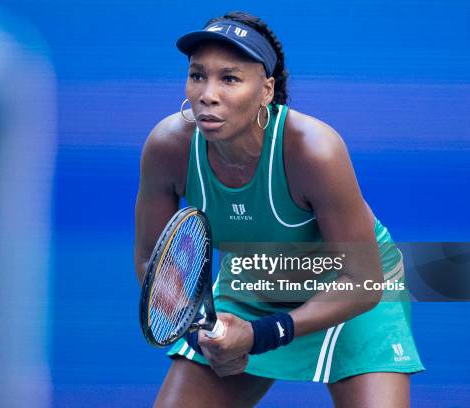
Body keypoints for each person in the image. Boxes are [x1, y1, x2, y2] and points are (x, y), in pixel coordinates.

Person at [134, 11, 424, 407]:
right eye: (198, 75)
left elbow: (362, 280)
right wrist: (198, 332)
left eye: (230, 78)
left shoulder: (314, 149)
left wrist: (260, 335)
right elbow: (154, 259)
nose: (207, 93)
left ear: (266, 90)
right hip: (254, 285)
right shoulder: (168, 146)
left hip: (354, 289)